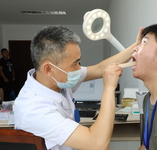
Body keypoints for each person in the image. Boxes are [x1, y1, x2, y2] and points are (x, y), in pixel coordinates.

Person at [14, 25, 143, 150]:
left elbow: (99, 69)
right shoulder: (34, 109)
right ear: (48, 69)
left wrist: (134, 47)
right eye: (74, 63)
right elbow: (98, 144)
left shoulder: (58, 79)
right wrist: (109, 88)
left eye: (79, 62)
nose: (79, 69)